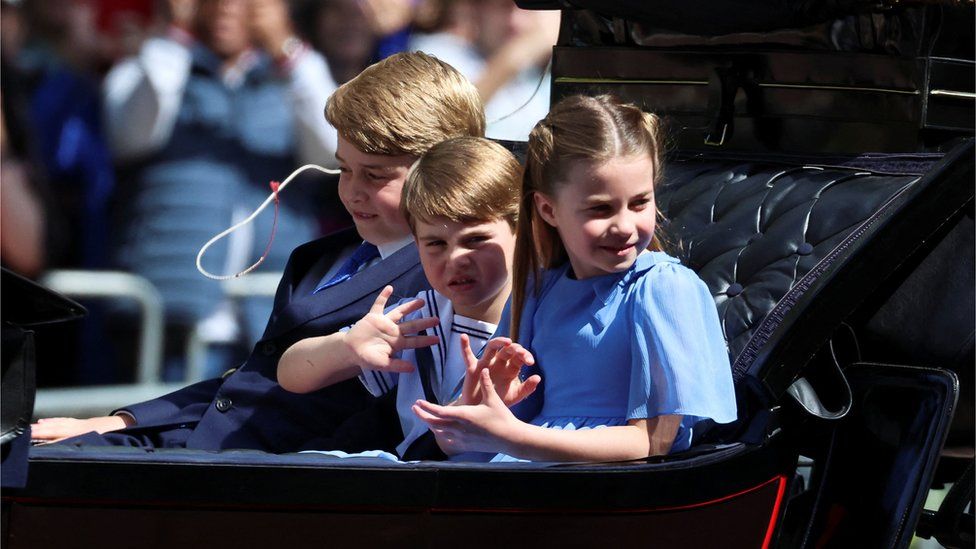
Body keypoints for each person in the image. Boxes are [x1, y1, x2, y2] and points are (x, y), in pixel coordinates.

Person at [30, 51, 486, 453]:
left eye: (375, 174)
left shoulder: (443, 280)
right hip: (201, 449)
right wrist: (119, 424)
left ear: (446, 170)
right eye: (344, 169)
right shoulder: (324, 259)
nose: (352, 191)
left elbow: (379, 429)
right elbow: (249, 383)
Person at [412, 94, 738, 462]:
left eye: (640, 203)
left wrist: (514, 437)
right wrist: (482, 404)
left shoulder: (663, 288)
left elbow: (651, 444)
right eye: (600, 208)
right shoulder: (540, 290)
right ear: (548, 209)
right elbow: (464, 439)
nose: (624, 226)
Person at [103, 0, 341, 377]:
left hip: (268, 315)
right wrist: (176, 35)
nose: (227, 8)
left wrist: (286, 47)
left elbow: (334, 149)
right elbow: (130, 135)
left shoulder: (290, 77)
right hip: (170, 319)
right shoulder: (154, 64)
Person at [278, 137, 539, 460]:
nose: (456, 258)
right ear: (415, 243)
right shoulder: (419, 318)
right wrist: (347, 349)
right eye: (435, 244)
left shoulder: (542, 315)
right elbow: (291, 374)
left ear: (523, 231)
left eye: (475, 240)